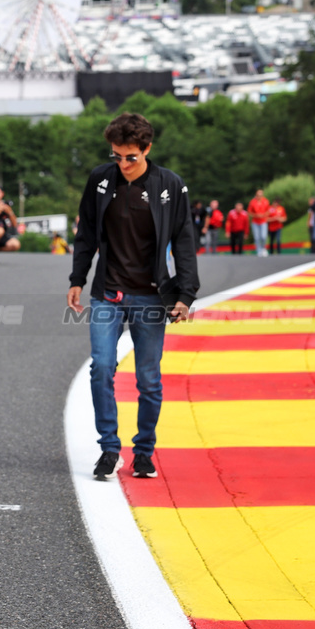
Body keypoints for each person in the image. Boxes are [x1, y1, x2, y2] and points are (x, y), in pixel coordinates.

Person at [66, 112, 199, 482]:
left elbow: (185, 242)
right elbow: (86, 233)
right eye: (116, 156)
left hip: (151, 298)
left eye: (131, 157)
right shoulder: (100, 180)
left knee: (149, 380)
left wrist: (186, 293)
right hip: (108, 294)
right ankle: (110, 449)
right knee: (102, 368)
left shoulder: (169, 185)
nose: (123, 164)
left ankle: (143, 452)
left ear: (147, 149)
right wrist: (77, 278)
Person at [248, 189, 271, 256]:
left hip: (263, 221)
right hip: (255, 222)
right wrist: (256, 215)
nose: (259, 197)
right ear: (256, 195)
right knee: (257, 237)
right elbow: (249, 212)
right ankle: (259, 250)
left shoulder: (266, 201)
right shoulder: (252, 202)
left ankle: (263, 248)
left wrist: (263, 215)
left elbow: (268, 211)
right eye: (258, 195)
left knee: (263, 236)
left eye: (261, 195)